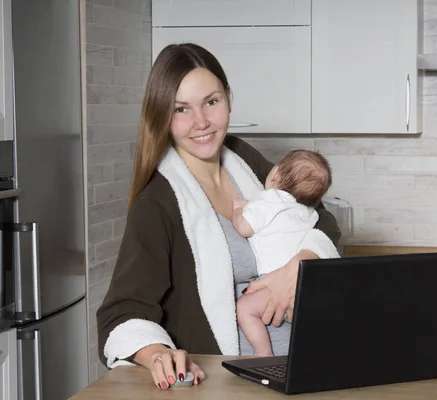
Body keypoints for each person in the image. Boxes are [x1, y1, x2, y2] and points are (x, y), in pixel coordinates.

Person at [95, 43, 341, 391]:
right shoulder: (159, 202)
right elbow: (121, 312)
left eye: (211, 102)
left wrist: (299, 267)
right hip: (232, 382)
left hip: (307, 363)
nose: (201, 123)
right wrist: (157, 353)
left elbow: (320, 219)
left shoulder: (242, 157)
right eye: (181, 109)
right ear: (162, 115)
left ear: (227, 97)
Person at [232, 149, 339, 357]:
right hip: (307, 282)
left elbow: (244, 227)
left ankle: (263, 352)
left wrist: (238, 210)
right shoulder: (308, 212)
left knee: (244, 309)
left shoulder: (269, 199)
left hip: (274, 280)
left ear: (276, 174)